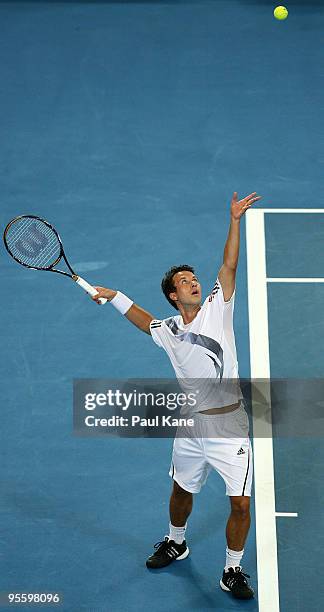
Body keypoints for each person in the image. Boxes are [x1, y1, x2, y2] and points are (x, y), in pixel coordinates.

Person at [93, 191, 261, 600]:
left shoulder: (217, 307)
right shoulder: (168, 330)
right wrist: (114, 295)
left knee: (240, 504)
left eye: (193, 278)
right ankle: (176, 541)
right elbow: (143, 319)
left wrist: (235, 221)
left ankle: (232, 571)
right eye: (184, 282)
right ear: (173, 295)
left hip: (229, 425)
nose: (193, 282)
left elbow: (228, 264)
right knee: (182, 489)